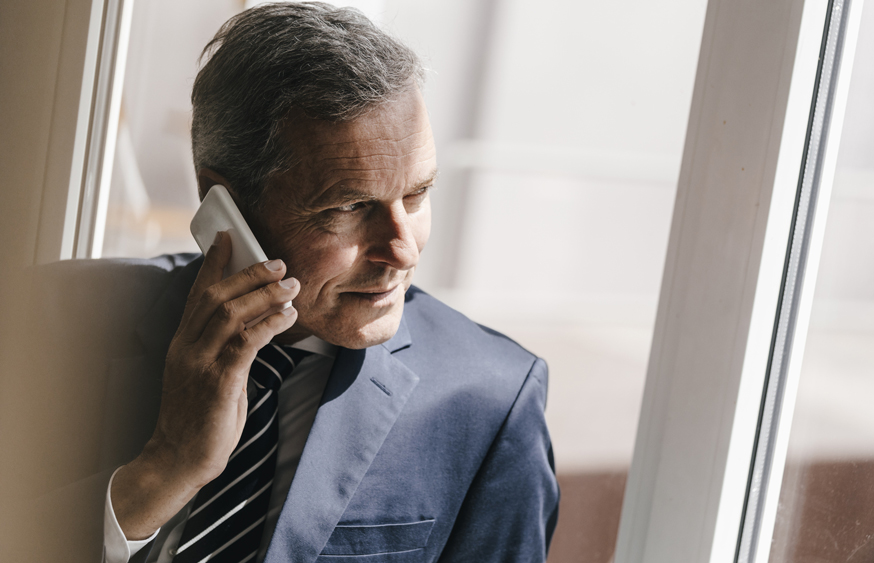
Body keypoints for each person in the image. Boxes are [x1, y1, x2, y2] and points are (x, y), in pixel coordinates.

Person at [20, 3, 558, 562]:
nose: (401, 249)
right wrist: (163, 469)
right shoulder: (45, 321)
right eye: (349, 206)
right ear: (222, 203)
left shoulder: (491, 400)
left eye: (417, 195)